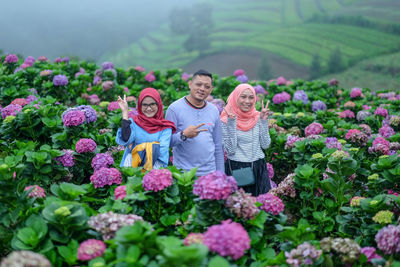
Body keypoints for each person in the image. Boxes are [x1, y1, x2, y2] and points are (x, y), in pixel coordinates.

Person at [166, 69, 224, 176]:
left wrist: (220, 174)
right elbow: (166, 142)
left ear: (211, 90)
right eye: (198, 84)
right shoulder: (174, 109)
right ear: (190, 85)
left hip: (210, 173)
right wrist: (183, 135)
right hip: (184, 175)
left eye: (207, 87)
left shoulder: (214, 110)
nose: (202, 89)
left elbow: (217, 145)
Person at [220, 83, 271, 196]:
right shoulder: (226, 119)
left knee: (262, 206)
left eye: (251, 97)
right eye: (243, 97)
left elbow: (265, 144)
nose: (247, 101)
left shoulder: (258, 116)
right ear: (236, 97)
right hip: (238, 168)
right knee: (242, 207)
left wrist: (263, 121)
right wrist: (232, 123)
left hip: (259, 167)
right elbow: (230, 150)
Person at [116, 87, 176, 170]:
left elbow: (161, 153)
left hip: (155, 169)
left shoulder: (165, 127)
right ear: (140, 105)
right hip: (131, 169)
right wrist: (125, 112)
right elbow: (126, 139)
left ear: (158, 104)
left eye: (152, 104)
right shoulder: (134, 122)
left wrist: (135, 148)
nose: (149, 108)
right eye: (144, 105)